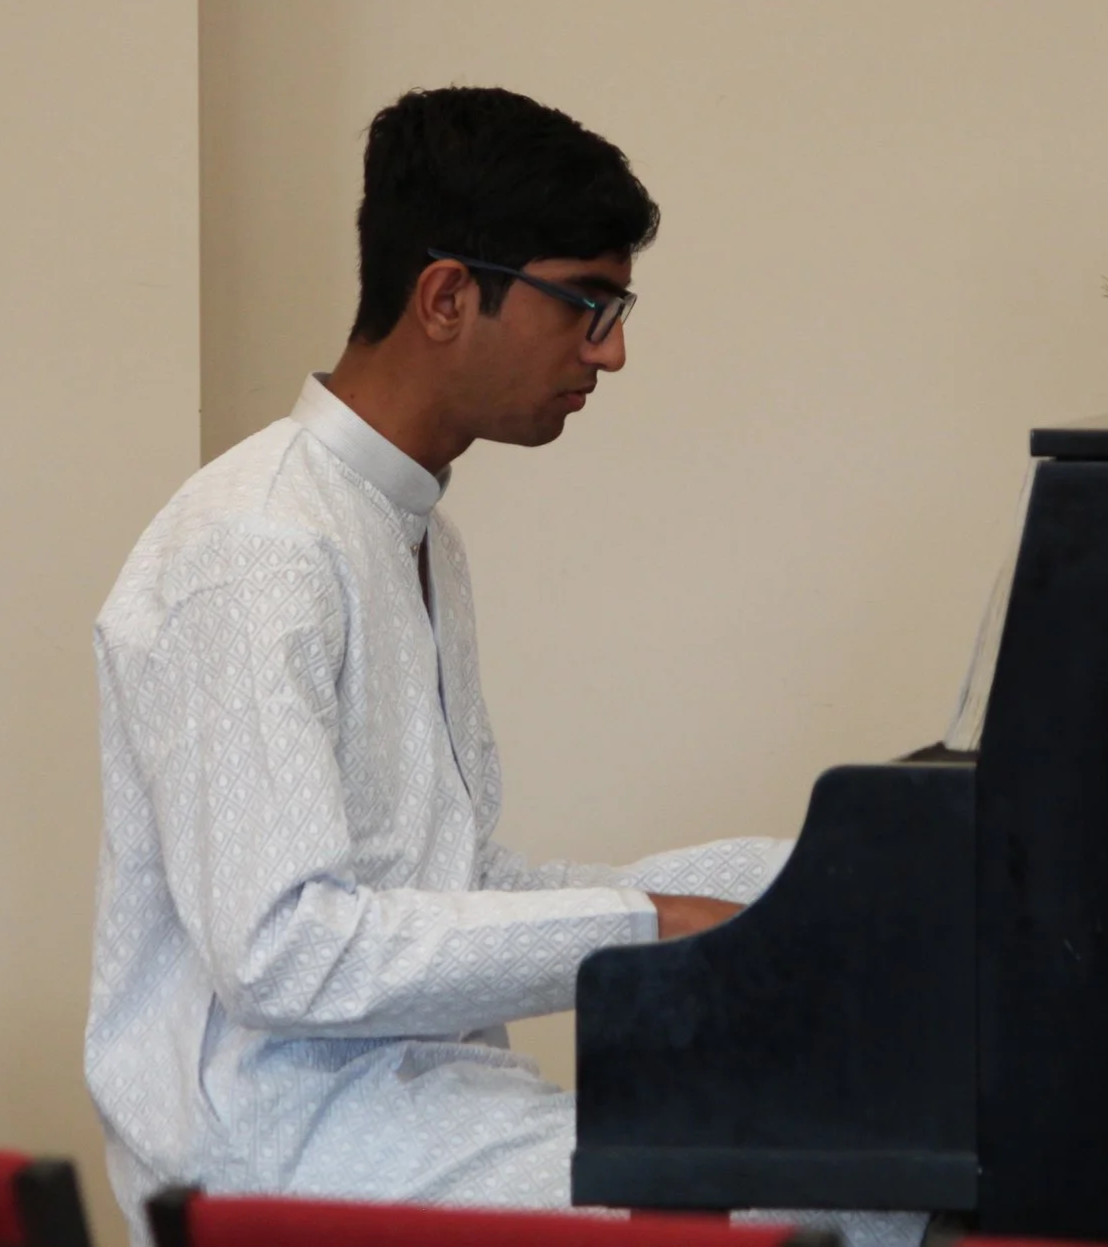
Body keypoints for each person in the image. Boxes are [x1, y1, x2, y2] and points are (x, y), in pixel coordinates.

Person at [86, 86, 917, 1247]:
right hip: (278, 1154)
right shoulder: (253, 546)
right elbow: (284, 956)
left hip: (424, 1112)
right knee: (857, 1211)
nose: (612, 349)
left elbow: (448, 881)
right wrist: (645, 925)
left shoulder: (411, 529)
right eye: (588, 300)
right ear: (445, 295)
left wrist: (786, 881)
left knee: (880, 1176)